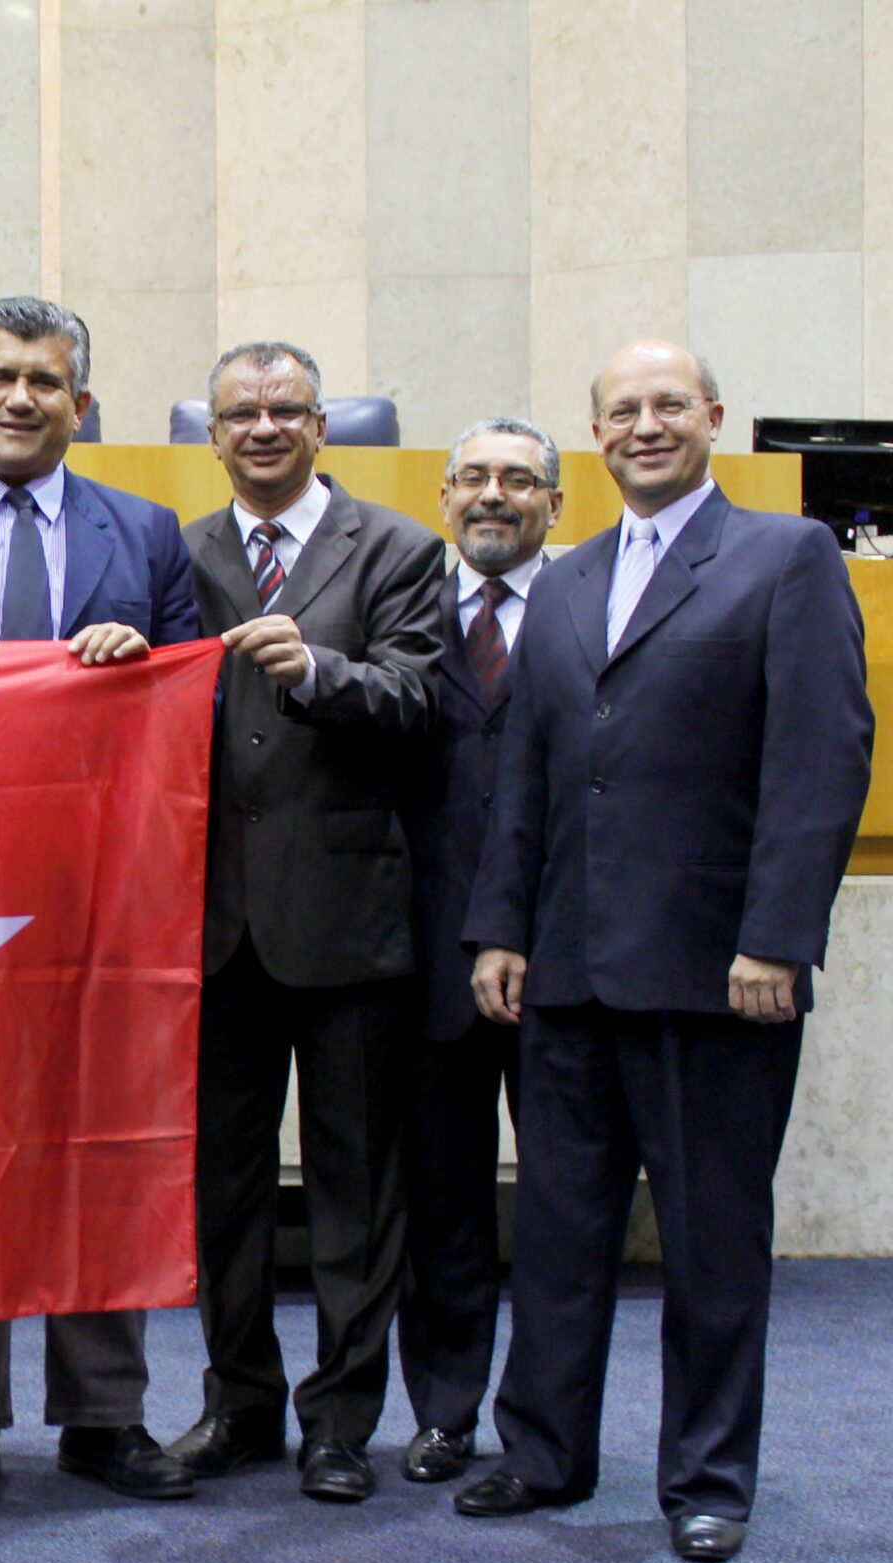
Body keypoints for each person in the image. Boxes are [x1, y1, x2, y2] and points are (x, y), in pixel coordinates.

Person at [455, 341, 873, 1563]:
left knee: (709, 1238)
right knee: (560, 1232)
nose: (644, 425)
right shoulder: (569, 576)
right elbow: (524, 775)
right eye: (621, 410)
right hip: (568, 973)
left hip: (717, 974)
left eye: (666, 406)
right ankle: (541, 1451)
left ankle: (707, 1478)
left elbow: (819, 761)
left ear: (712, 420)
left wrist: (776, 938)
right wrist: (499, 927)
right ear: (595, 434)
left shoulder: (785, 557)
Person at [0, 295, 200, 1509]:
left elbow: (191, 711)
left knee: (95, 1147)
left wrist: (137, 677)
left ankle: (104, 1415)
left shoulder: (148, 534)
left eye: (47, 382)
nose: (21, 398)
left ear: (81, 405)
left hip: (98, 893)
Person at [169, 341, 445, 1505]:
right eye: (241, 413)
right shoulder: (175, 555)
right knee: (220, 1193)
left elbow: (424, 699)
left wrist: (322, 671)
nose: (264, 428)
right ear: (213, 435)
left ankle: (337, 1419)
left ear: (323, 426)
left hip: (347, 924)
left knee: (351, 1187)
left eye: (286, 410)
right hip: (213, 929)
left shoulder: (396, 548)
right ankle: (236, 1404)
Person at [389, 416, 561, 1487]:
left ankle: (543, 1422)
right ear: (442, 498)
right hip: (424, 959)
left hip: (564, 963)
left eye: (519, 480)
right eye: (473, 480)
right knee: (440, 1206)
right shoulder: (404, 610)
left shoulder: (592, 608)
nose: (493, 496)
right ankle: (443, 1412)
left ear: (556, 503)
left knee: (558, 1210)